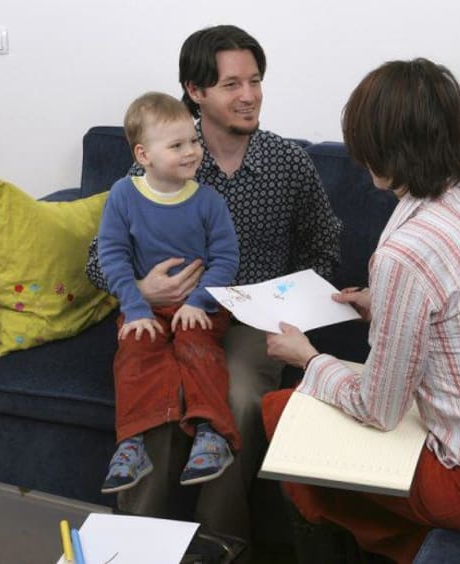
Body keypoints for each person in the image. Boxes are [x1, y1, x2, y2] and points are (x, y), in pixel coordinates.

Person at [263, 58, 460, 564]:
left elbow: (379, 410)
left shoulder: (403, 254)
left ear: (384, 150)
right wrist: (383, 307)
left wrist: (307, 358)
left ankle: (377, 547)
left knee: (279, 410)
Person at [85, 24, 342, 553]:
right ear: (195, 91)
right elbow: (98, 259)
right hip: (167, 314)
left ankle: (221, 544)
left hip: (252, 319)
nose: (249, 96)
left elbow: (326, 248)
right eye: (231, 85)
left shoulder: (287, 162)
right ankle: (134, 547)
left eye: (255, 81)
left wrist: (294, 299)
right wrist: (141, 289)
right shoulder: (164, 153)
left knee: (238, 398)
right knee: (157, 404)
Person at [98, 92, 241, 495]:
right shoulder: (123, 196)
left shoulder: (209, 201)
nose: (192, 151)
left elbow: (226, 259)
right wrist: (135, 307)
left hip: (201, 305)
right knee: (136, 349)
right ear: (143, 154)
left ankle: (212, 433)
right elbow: (113, 257)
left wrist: (199, 302)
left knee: (197, 346)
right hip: (146, 307)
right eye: (177, 145)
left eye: (193, 141)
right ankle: (132, 443)